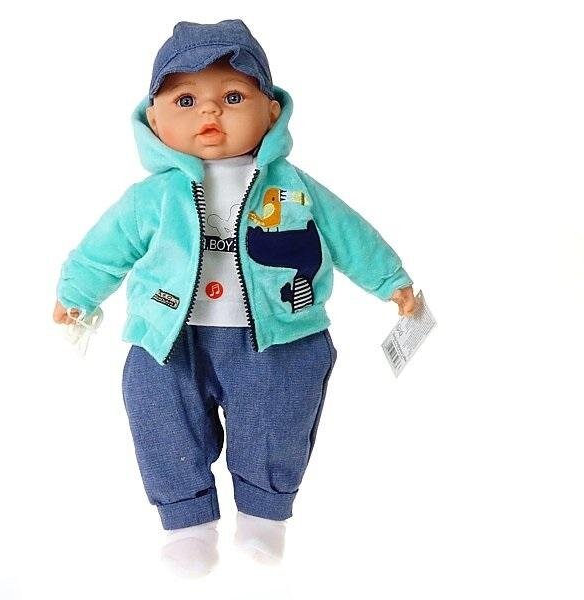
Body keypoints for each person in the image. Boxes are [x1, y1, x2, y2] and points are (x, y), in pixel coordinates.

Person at [53, 19, 416, 577]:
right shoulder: (152, 198)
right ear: (154, 120)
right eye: (186, 100)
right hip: (170, 338)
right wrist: (76, 294)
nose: (209, 112)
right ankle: (187, 524)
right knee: (160, 417)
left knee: (278, 422)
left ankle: (263, 517)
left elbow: (350, 236)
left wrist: (392, 282)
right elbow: (104, 249)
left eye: (232, 97)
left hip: (280, 334)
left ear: (271, 112)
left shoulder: (292, 186)